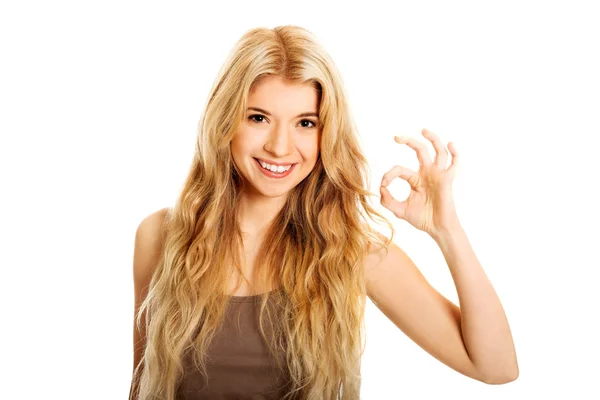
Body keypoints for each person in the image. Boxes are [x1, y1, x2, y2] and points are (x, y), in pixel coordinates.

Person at [129, 25, 518, 400]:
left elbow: (495, 367)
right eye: (258, 118)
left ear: (326, 133)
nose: (281, 147)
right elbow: (143, 384)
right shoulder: (162, 236)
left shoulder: (351, 254)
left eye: (305, 123)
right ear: (224, 121)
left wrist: (446, 230)